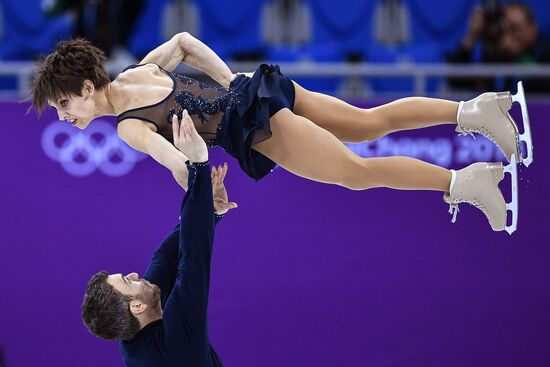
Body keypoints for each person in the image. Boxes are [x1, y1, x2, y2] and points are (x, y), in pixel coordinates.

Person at [30, 33, 524, 232]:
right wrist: (233, 83)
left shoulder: (129, 127)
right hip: (262, 94)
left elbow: (181, 164)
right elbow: (183, 43)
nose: (64, 116)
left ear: (88, 86)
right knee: (371, 121)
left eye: (65, 103)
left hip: (256, 127)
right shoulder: (139, 69)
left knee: (356, 173)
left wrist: (207, 193)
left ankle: (466, 182)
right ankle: (478, 111)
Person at [81, 114, 237, 366]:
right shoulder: (176, 346)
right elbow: (193, 258)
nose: (133, 274)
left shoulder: (133, 328)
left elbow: (165, 258)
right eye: (126, 281)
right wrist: (198, 162)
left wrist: (210, 212)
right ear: (137, 307)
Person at [447, 2, 550, 92]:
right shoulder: (494, 53)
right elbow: (456, 82)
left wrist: (518, 55)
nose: (509, 35)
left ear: (533, 27)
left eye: (515, 28)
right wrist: (471, 37)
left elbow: (539, 86)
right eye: (505, 28)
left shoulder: (545, 51)